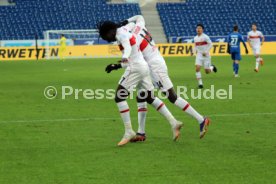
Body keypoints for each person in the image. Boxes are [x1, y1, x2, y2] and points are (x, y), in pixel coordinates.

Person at [119, 15, 211, 141]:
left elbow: (130, 60)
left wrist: (119, 64)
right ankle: (141, 133)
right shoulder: (139, 26)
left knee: (172, 96)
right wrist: (127, 20)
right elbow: (139, 16)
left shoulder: (133, 39)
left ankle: (201, 119)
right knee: (142, 95)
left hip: (154, 66)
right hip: (152, 63)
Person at [97, 21, 182, 146]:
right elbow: (133, 49)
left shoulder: (121, 35)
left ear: (110, 31)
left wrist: (124, 57)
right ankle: (174, 122)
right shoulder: (125, 29)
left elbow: (127, 47)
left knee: (119, 97)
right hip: (143, 66)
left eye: (106, 37)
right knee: (148, 97)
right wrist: (117, 65)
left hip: (135, 67)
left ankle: (129, 131)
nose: (107, 40)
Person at [192, 24, 217, 89]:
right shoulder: (195, 38)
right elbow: (195, 46)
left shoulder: (205, 37)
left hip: (206, 55)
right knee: (197, 68)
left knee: (207, 71)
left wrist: (206, 51)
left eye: (200, 28)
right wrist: (193, 52)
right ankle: (200, 84)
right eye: (197, 28)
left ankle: (212, 67)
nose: (198, 29)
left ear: (202, 30)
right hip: (199, 55)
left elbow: (211, 44)